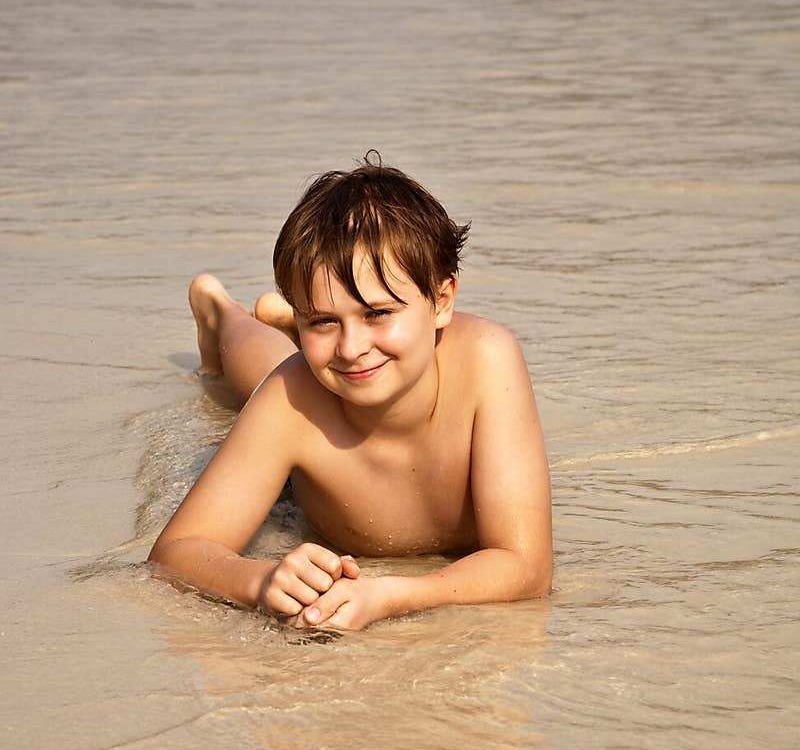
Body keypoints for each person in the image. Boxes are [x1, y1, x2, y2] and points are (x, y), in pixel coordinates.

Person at [148, 154, 552, 632]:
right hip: (305, 384)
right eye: (322, 319)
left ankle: (284, 320)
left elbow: (528, 567)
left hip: (321, 372)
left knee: (307, 367)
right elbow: (175, 553)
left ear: (441, 301)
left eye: (377, 313)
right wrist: (258, 580)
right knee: (269, 376)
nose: (353, 346)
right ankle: (222, 314)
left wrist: (393, 594)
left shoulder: (488, 360)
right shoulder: (291, 396)